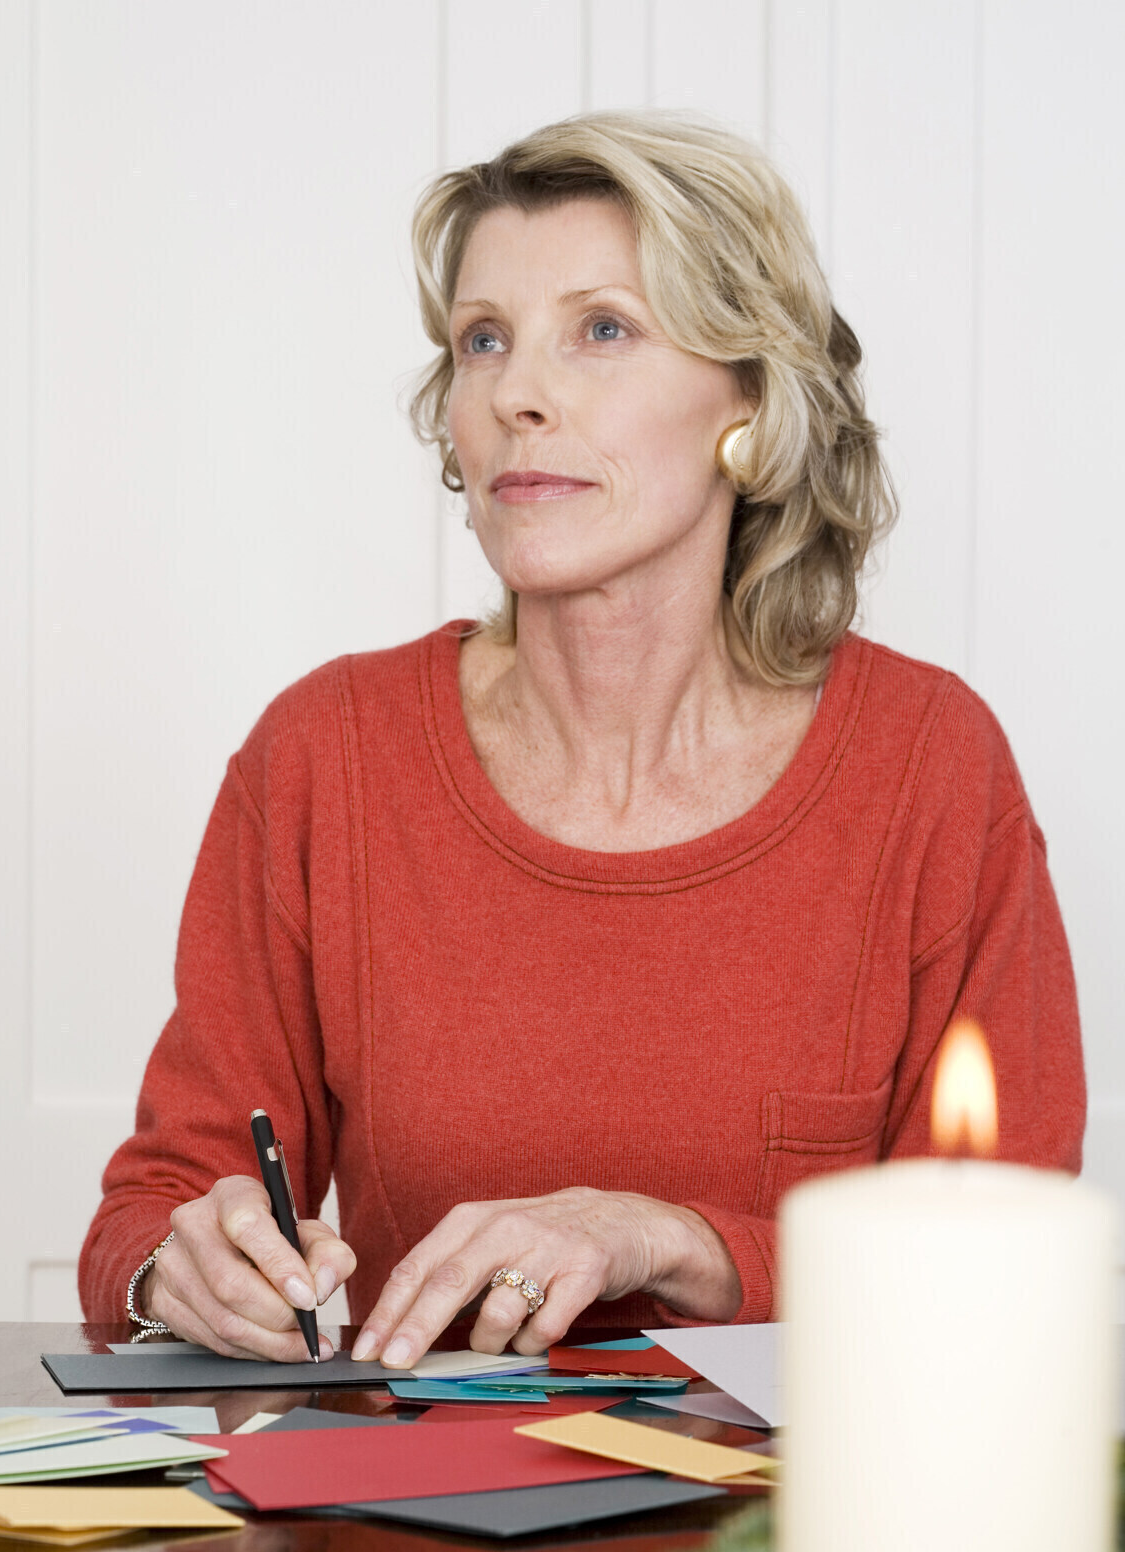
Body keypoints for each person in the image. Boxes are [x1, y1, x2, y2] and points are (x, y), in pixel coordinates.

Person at [78, 109, 1085, 1366]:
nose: (517, 395)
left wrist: (678, 1243)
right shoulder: (321, 757)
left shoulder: (930, 763)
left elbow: (1006, 1262)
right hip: (408, 1539)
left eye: (600, 330)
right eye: (482, 341)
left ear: (753, 402)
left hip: (798, 1549)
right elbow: (150, 1209)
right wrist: (180, 1267)